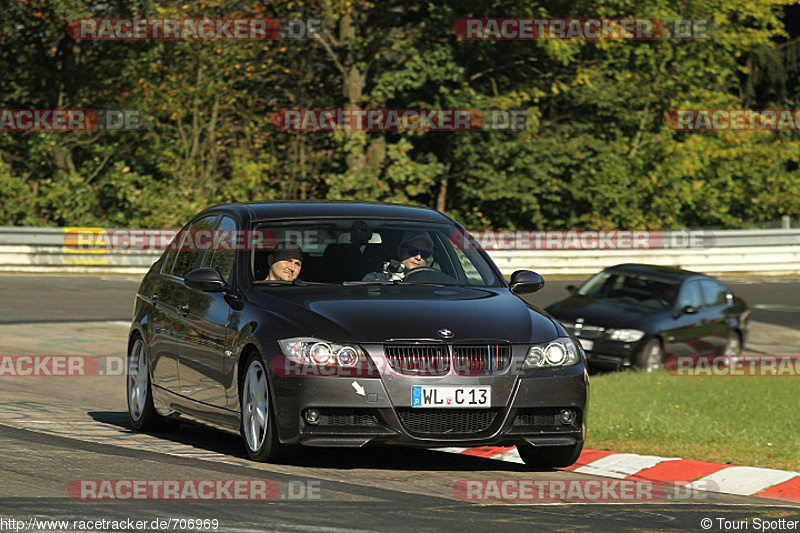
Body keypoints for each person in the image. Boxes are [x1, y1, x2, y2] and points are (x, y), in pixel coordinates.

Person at [362, 231, 434, 281]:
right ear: (400, 251)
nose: (419, 257)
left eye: (425, 253)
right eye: (413, 251)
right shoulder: (376, 278)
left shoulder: (435, 281)